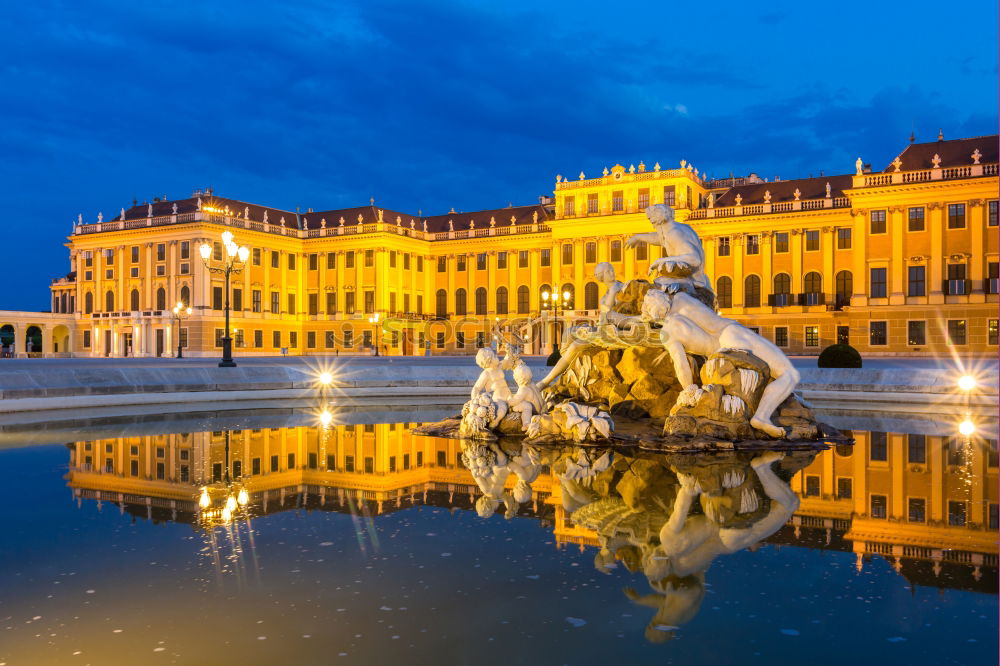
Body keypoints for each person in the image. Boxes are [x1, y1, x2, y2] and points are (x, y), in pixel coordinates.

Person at [641, 288, 799, 438]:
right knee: (790, 374)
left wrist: (689, 391)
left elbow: (681, 365)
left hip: (719, 351)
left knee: (782, 374)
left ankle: (781, 399)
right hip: (731, 333)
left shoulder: (667, 334)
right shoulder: (681, 299)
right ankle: (762, 416)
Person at [625, 204, 714, 307]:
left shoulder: (674, 233)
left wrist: (660, 261)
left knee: (650, 291)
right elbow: (660, 239)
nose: (653, 225)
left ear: (658, 221)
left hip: (692, 283)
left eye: (651, 221)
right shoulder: (677, 228)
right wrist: (639, 237)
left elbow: (694, 258)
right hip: (693, 281)